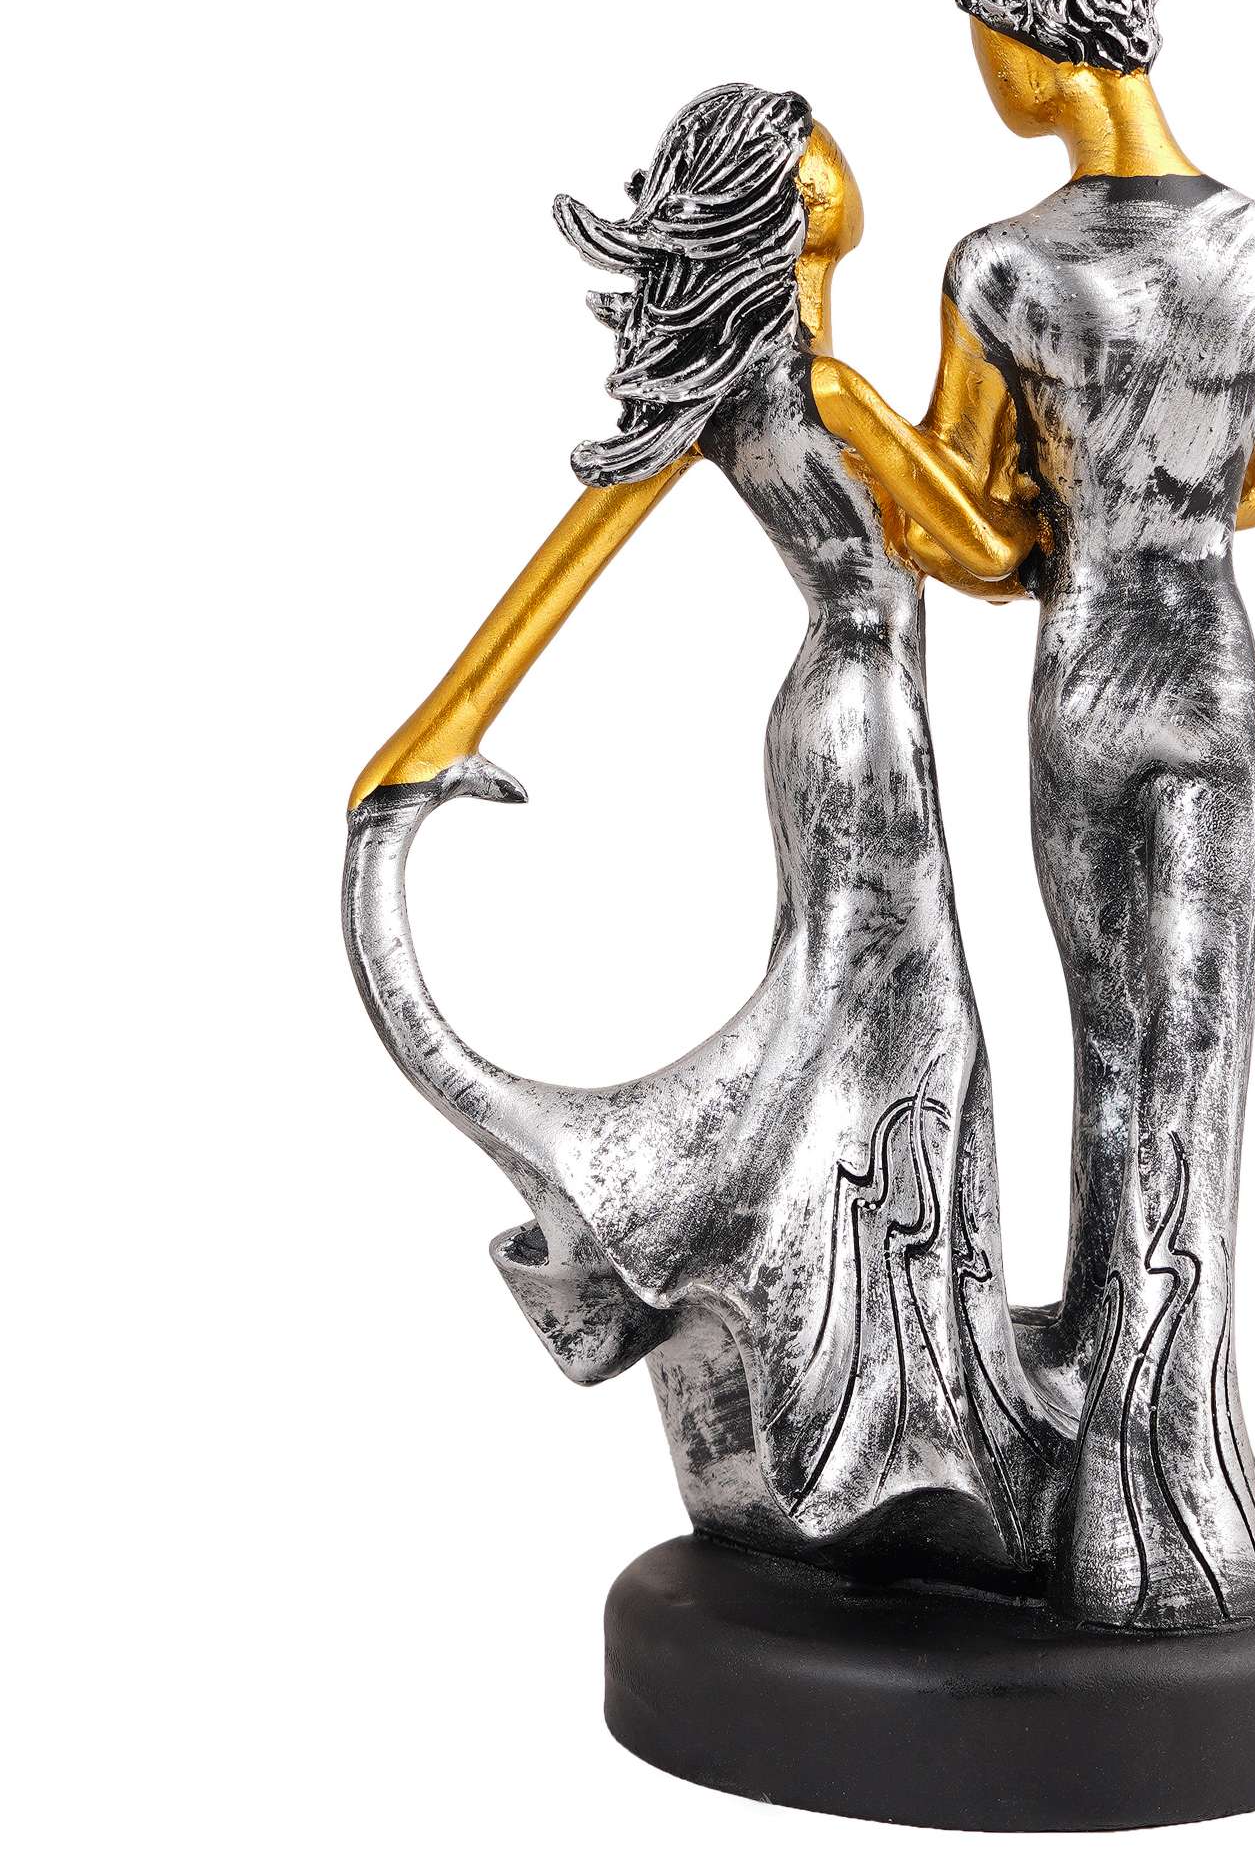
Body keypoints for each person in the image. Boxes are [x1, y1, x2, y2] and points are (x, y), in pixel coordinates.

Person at [343, 83, 1064, 1581]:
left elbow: (584, 540)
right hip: (863, 721)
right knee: (906, 1050)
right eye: (814, 153)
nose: (841, 163)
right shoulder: (822, 391)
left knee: (862, 1047)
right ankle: (879, 1412)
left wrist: (443, 721)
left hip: (845, 713)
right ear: (787, 203)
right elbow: (995, 553)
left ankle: (859, 1405)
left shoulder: (753, 385)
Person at [813, 0, 1255, 1628]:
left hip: (1089, 677)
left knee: (1114, 1060)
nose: (987, 77)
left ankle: (1118, 1457)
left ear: (1037, 42)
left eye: (988, 46)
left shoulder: (1005, 271)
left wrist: (850, 408)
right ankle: (1181, 1509)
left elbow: (974, 543)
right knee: (1202, 1070)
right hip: (1216, 676)